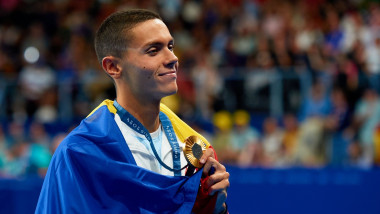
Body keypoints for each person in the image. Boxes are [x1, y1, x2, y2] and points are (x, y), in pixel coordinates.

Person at [35, 9, 229, 214]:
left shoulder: (193, 149)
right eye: (153, 50)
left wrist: (216, 209)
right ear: (113, 67)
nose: (172, 58)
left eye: (170, 46)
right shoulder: (79, 153)